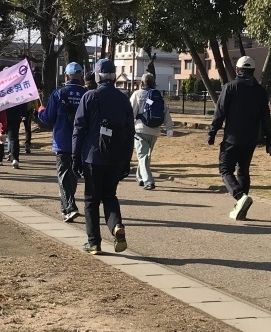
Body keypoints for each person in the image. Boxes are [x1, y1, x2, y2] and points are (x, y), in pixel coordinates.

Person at [72, 58, 133, 255]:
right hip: (116, 157)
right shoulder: (124, 99)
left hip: (93, 156)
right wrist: (127, 160)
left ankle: (94, 243)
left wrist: (75, 156)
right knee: (109, 196)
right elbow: (130, 133)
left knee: (91, 200)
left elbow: (79, 129)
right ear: (114, 77)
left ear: (98, 76)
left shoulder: (89, 97)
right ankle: (116, 226)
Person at [206, 55, 271, 221]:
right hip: (251, 139)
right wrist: (270, 141)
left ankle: (240, 197)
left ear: (238, 70)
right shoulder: (260, 91)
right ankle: (241, 209)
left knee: (225, 169)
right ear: (253, 70)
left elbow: (220, 112)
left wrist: (212, 132)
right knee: (243, 171)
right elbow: (266, 118)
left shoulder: (230, 87)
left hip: (232, 138)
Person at [38, 62, 87, 222]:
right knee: (72, 175)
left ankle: (70, 207)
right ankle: (66, 208)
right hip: (81, 142)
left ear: (66, 76)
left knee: (63, 175)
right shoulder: (87, 94)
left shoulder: (58, 94)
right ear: (81, 76)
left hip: (62, 140)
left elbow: (48, 118)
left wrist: (40, 111)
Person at [130, 72, 173, 190]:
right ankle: (140, 177)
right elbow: (165, 111)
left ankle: (148, 181)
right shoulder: (157, 96)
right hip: (155, 131)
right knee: (145, 156)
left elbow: (131, 112)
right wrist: (169, 128)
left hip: (140, 129)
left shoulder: (137, 94)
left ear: (142, 83)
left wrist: (127, 127)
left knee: (142, 155)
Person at [4, 101, 28, 168]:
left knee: (1, 136)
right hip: (16, 114)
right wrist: (24, 113)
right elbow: (23, 100)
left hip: (3, 114)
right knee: (14, 138)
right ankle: (15, 159)